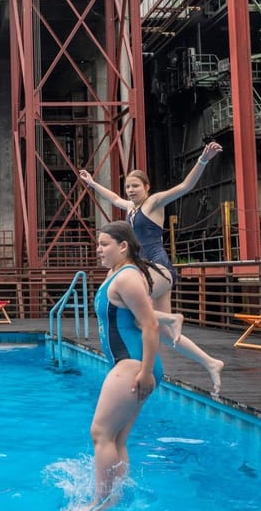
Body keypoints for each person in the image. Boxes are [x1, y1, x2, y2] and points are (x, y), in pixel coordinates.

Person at [79, 141, 225, 393]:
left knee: (135, 311)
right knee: (167, 335)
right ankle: (211, 362)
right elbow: (113, 197)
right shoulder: (130, 208)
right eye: (128, 186)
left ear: (147, 187)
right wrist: (92, 183)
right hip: (148, 272)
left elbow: (185, 186)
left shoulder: (154, 202)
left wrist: (203, 160)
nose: (130, 190)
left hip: (157, 269)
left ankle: (170, 319)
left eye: (135, 186)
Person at [64, 220, 163, 511]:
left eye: (104, 244)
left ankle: (99, 501)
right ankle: (114, 498)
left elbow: (150, 324)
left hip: (133, 364)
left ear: (123, 246)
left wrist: (145, 372)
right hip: (132, 363)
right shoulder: (117, 274)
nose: (98, 250)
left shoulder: (127, 278)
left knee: (100, 433)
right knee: (117, 438)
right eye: (98, 244)